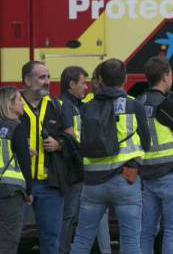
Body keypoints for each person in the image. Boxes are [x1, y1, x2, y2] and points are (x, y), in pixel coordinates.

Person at [70, 58, 150, 254]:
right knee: (131, 243)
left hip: (92, 183)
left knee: (81, 240)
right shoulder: (133, 105)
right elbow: (146, 143)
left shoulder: (86, 107)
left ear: (101, 80)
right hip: (125, 180)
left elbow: (79, 140)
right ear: (125, 79)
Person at [137, 57, 173, 254]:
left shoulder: (138, 102)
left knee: (146, 232)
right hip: (171, 176)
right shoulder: (164, 104)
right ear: (165, 76)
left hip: (147, 177)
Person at [59, 66, 111, 254]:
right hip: (74, 172)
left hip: (83, 170)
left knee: (87, 216)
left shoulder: (77, 104)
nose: (86, 87)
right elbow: (70, 137)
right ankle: (63, 250)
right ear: (71, 84)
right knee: (70, 216)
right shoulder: (65, 105)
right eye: (83, 83)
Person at [21, 61, 71, 254]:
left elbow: (72, 141)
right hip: (19, 184)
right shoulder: (10, 106)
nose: (47, 82)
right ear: (27, 80)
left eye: (48, 77)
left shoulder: (57, 106)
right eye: (41, 77)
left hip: (50, 184)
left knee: (51, 239)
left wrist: (59, 145)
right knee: (9, 236)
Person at [0, 87, 32, 254]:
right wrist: (29, 191)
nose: (23, 105)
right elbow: (24, 162)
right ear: (10, 105)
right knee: (8, 242)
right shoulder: (16, 127)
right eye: (19, 100)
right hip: (11, 192)